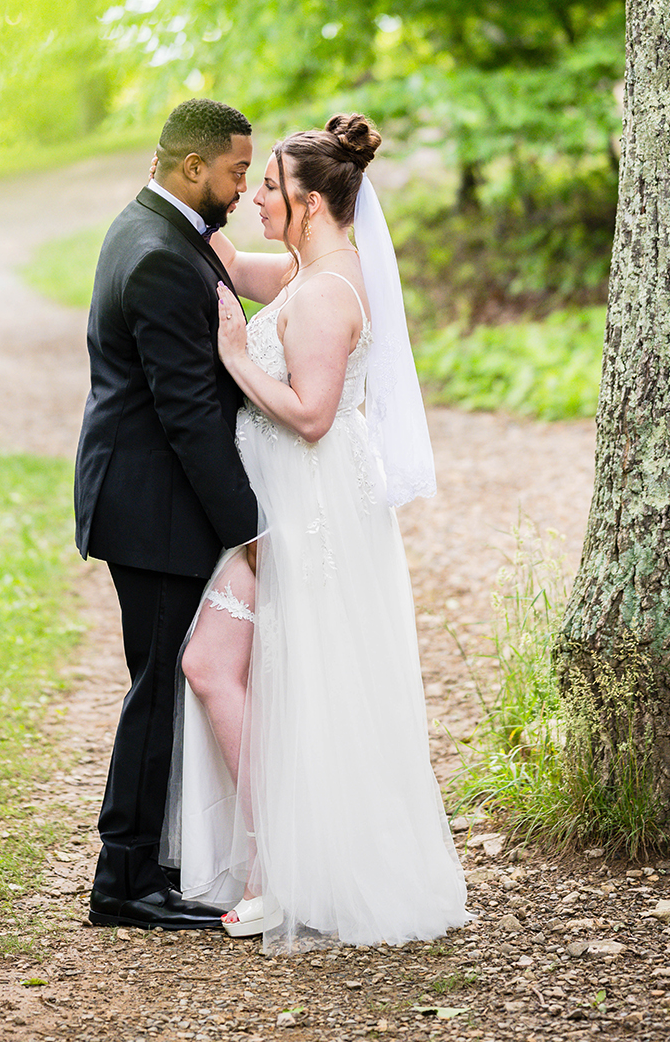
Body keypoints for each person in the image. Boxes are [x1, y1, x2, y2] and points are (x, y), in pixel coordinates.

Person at [161, 113, 469, 951]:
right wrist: (169, 194)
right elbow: (231, 265)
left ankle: (276, 875)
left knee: (268, 674)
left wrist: (235, 360)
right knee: (247, 672)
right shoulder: (309, 269)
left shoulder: (332, 293)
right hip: (281, 505)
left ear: (311, 203)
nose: (255, 194)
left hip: (309, 508)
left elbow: (312, 414)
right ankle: (276, 867)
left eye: (270, 187)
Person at [75, 98, 260, 932]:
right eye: (234, 171)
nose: (242, 184)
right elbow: (184, 410)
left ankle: (153, 862)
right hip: (151, 506)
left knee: (160, 682)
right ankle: (125, 882)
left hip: (149, 496)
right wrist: (247, 526)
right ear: (194, 168)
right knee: (156, 689)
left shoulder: (158, 225)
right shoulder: (155, 251)